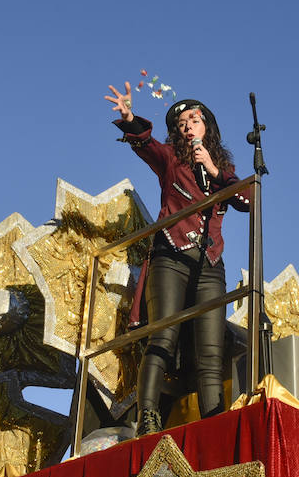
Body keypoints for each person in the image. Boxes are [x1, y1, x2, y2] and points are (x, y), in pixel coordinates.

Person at [105, 82, 250, 436]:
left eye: (194, 120)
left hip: (210, 264)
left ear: (207, 128)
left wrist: (215, 171)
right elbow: (145, 144)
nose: (187, 125)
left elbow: (246, 200)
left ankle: (213, 424)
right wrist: (129, 118)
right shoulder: (170, 158)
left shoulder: (222, 169)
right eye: (182, 122)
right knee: (163, 337)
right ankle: (149, 416)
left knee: (211, 352)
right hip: (171, 255)